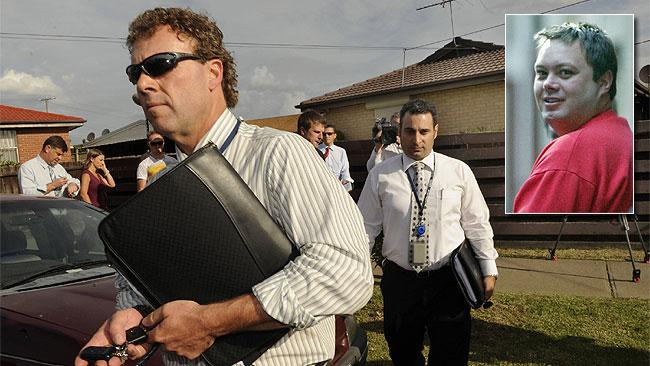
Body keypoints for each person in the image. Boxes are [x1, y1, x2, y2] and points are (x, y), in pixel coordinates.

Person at [75, 7, 373, 366]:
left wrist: (210, 323)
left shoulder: (277, 153)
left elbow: (345, 272)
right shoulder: (160, 180)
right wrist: (137, 319)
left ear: (213, 72)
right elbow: (158, 292)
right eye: (134, 72)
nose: (142, 84)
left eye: (160, 64)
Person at [357, 99, 498, 366]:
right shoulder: (381, 175)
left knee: (451, 354)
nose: (416, 139)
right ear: (400, 133)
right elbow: (365, 228)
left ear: (436, 131)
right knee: (403, 352)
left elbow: (477, 223)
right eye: (409, 131)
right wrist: (356, 270)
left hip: (448, 280)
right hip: (401, 282)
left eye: (423, 131)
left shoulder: (458, 172)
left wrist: (488, 269)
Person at [513, 22, 633, 213]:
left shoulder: (569, 154)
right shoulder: (621, 135)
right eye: (542, 73)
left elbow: (528, 236)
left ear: (604, 81)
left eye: (565, 72)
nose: (548, 84)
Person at [319, 124, 353, 191]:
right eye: (324, 134)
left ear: (335, 135)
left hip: (338, 187)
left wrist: (345, 182)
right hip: (322, 187)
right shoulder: (316, 150)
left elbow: (345, 170)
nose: (326, 136)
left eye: (329, 134)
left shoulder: (341, 151)